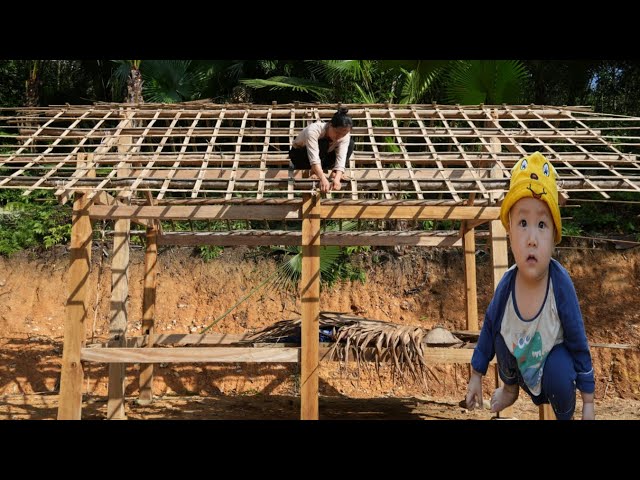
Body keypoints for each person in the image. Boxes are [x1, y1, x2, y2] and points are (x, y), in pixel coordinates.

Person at [465, 151, 595, 420]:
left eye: (542, 225)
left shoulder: (559, 285)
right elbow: (488, 330)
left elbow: (578, 340)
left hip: (552, 369)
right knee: (499, 330)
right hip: (520, 366)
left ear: (554, 236)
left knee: (560, 369)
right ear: (509, 232)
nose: (532, 239)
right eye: (523, 223)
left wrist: (589, 403)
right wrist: (476, 375)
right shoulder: (507, 286)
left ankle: (565, 416)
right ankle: (510, 389)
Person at [289, 107, 354, 193]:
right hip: (301, 157)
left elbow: (341, 157)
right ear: (330, 125)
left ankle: (334, 174)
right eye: (337, 133)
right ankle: (314, 172)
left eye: (343, 134)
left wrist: (337, 178)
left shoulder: (344, 135)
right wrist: (323, 178)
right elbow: (314, 158)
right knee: (323, 142)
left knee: (350, 143)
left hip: (323, 159)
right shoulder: (314, 130)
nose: (339, 137)